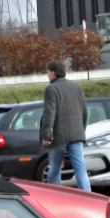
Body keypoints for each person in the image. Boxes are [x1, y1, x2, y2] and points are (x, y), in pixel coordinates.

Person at [40, 60, 91, 191]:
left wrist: (46, 135)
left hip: (59, 136)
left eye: (48, 72)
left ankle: (55, 195)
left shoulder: (51, 89)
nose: (47, 75)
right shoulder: (76, 88)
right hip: (77, 134)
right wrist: (81, 130)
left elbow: (49, 113)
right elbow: (84, 111)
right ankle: (88, 196)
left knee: (55, 169)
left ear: (53, 73)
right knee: (80, 168)